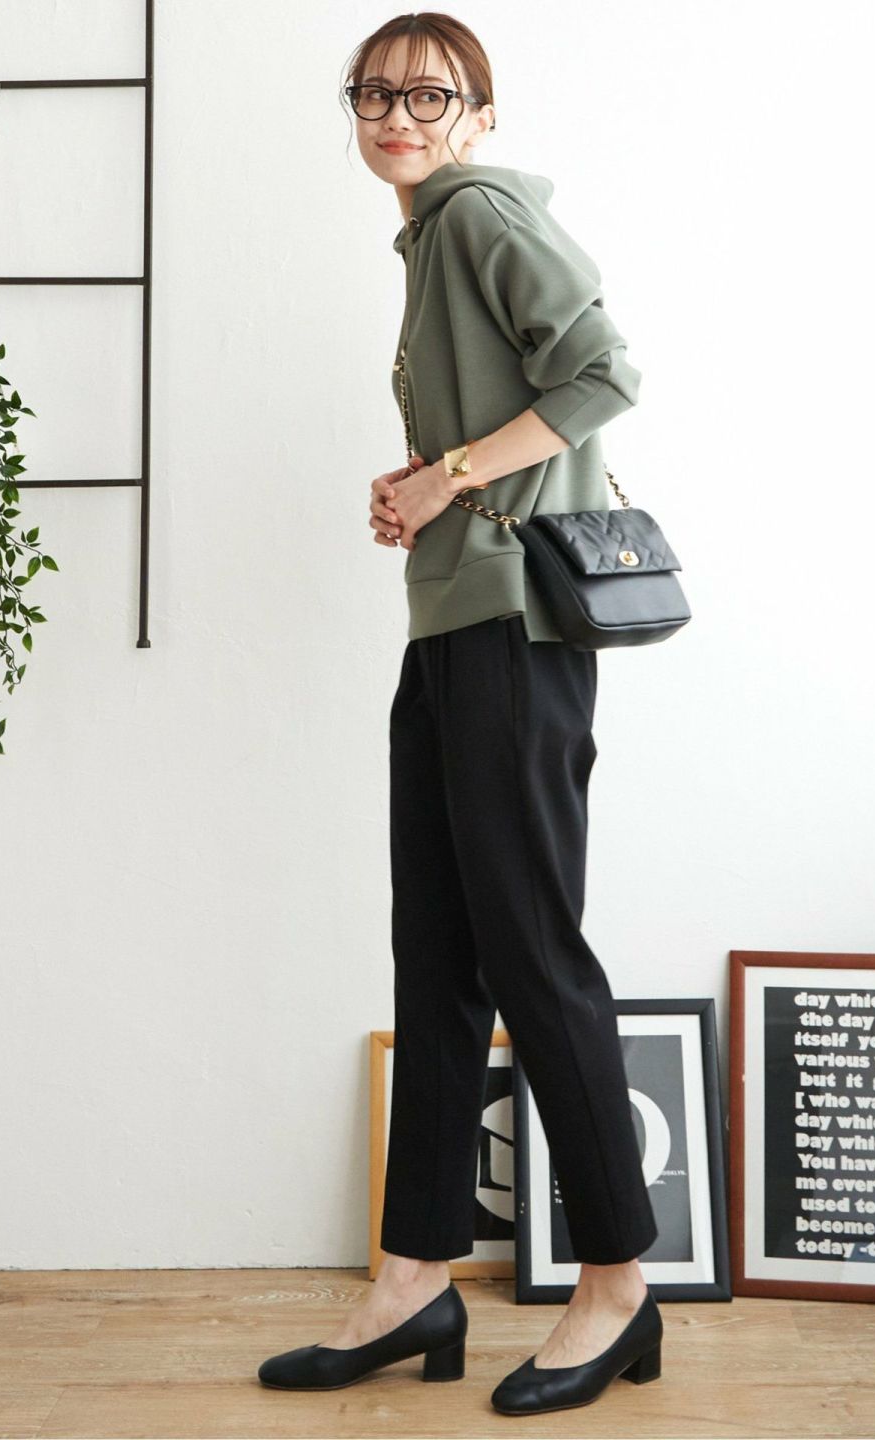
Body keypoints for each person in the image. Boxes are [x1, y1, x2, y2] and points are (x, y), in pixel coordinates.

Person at [258, 12, 662, 1416]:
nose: (396, 115)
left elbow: (605, 370)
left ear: (479, 114)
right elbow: (513, 417)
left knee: (532, 952)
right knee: (435, 955)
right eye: (374, 92)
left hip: (517, 637)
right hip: (453, 633)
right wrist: (425, 480)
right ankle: (414, 1277)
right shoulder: (428, 237)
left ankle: (617, 1285)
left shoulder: (482, 211)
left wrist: (450, 476)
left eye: (429, 95)